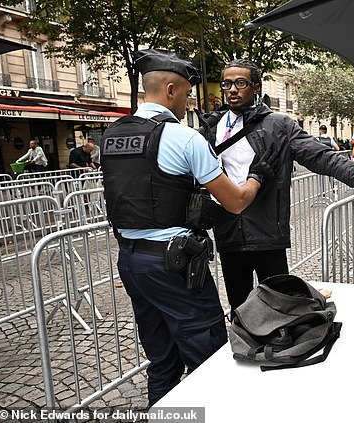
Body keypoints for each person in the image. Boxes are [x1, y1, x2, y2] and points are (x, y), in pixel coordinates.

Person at [100, 49, 277, 406]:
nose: (189, 102)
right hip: (173, 266)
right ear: (170, 90)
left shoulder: (112, 136)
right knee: (208, 357)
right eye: (186, 93)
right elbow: (236, 201)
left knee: (161, 360)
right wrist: (258, 176)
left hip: (132, 261)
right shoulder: (184, 138)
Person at [198, 58, 354, 313]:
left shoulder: (279, 126)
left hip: (268, 232)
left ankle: (283, 350)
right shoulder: (211, 127)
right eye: (227, 84)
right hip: (228, 232)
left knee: (282, 307)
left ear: (256, 87)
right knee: (241, 308)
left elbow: (322, 157)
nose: (232, 90)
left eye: (241, 83)